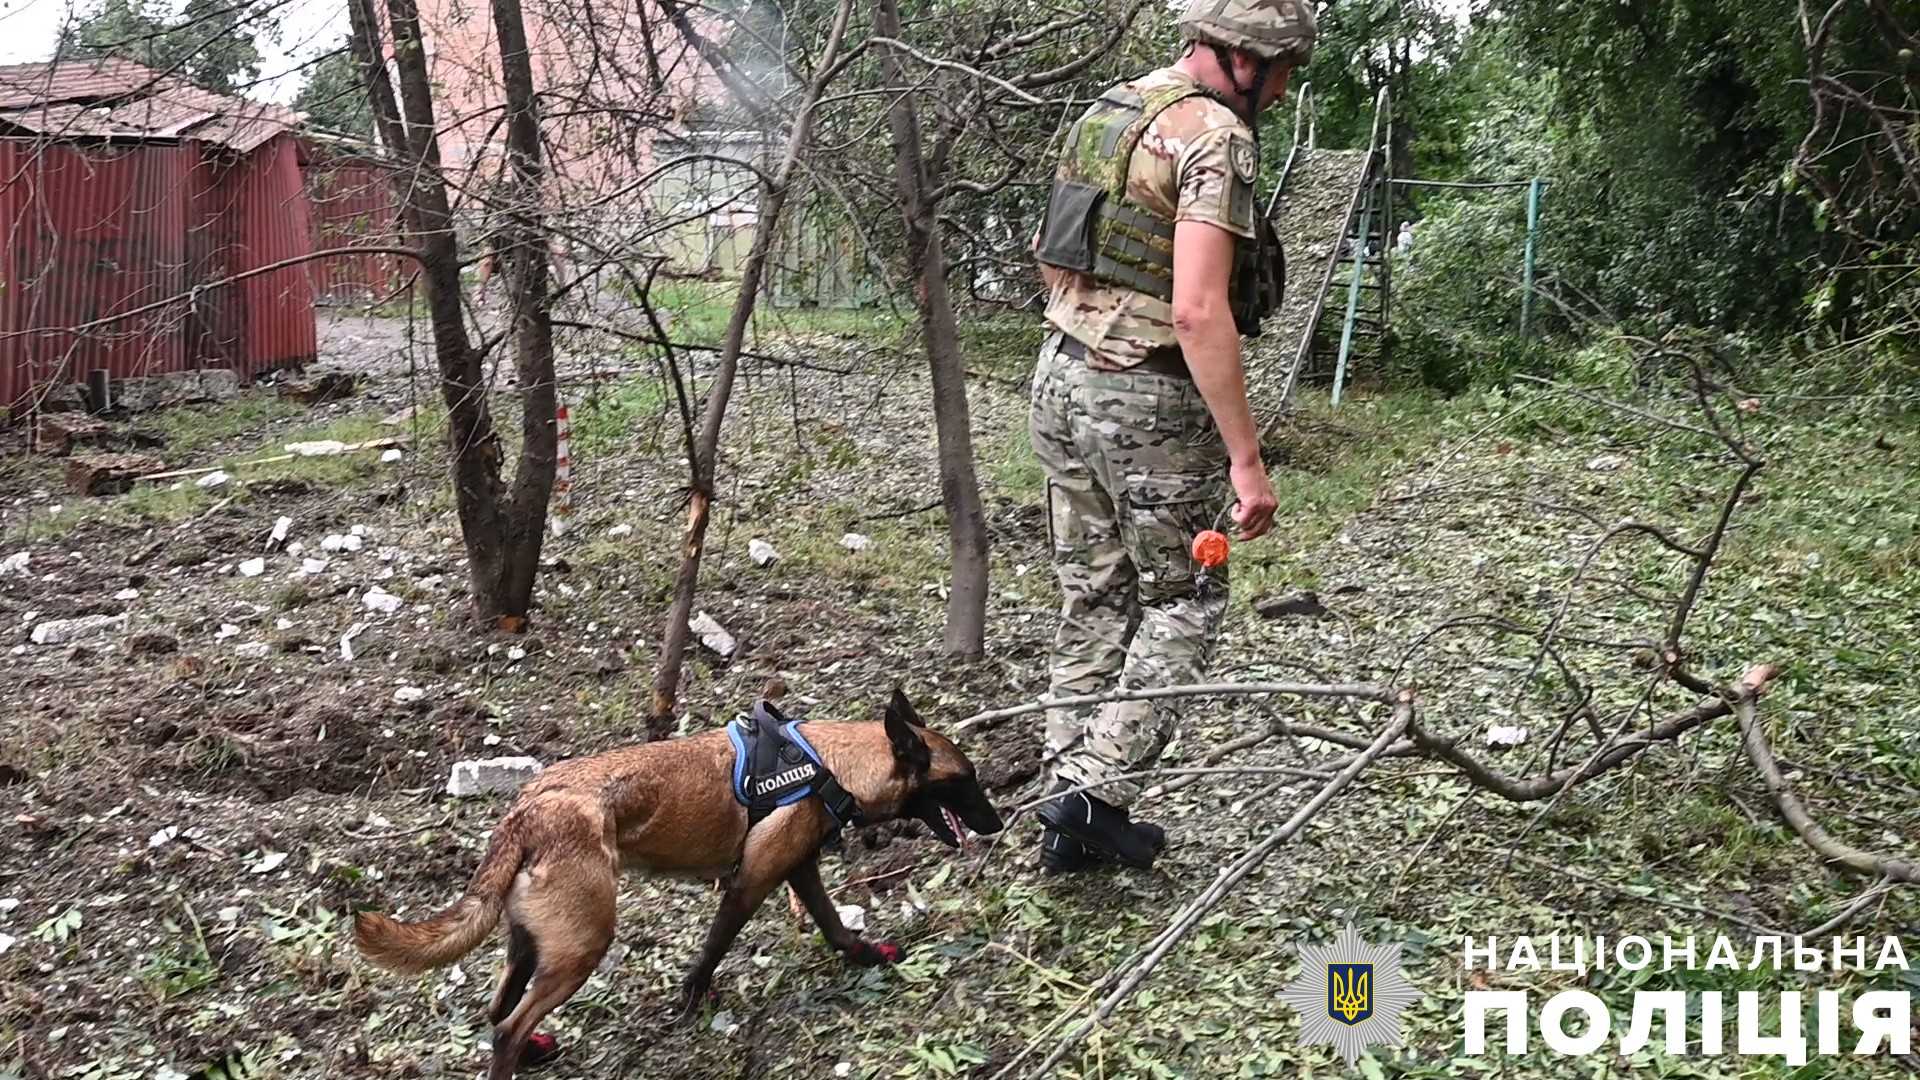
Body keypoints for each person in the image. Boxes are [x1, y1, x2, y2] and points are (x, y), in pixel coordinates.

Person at [1026, 0, 1316, 872]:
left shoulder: (1111, 110)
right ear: (1248, 59)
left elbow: (1054, 253)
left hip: (1059, 375)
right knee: (1186, 599)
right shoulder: (1216, 137)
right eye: (1286, 71)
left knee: (1094, 592)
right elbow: (1198, 309)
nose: (1286, 88)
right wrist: (1246, 458)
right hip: (1143, 398)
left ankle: (1063, 801)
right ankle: (1092, 795)